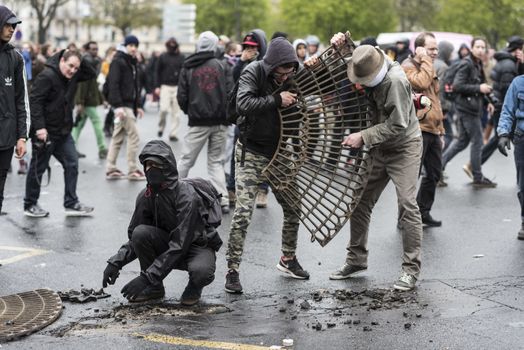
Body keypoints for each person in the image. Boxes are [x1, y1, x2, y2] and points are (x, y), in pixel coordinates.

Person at [326, 33, 423, 291]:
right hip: (379, 148)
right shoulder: (369, 59)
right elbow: (358, 55)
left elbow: (398, 124)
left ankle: (410, 270)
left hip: (404, 146)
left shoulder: (395, 82)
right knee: (359, 200)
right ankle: (356, 259)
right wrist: (339, 46)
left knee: (407, 204)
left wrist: (363, 136)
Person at [224, 37, 310, 294]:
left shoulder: (294, 72)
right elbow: (244, 104)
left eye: (289, 73)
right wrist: (276, 99)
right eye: (281, 73)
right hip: (251, 150)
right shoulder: (253, 71)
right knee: (242, 213)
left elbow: (320, 75)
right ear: (271, 66)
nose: (285, 78)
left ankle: (288, 259)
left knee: (294, 206)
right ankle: (232, 270)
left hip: (279, 152)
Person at [102, 140, 222, 305]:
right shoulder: (146, 195)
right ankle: (155, 288)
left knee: (201, 272)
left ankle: (194, 287)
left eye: (155, 164)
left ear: (167, 167)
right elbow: (135, 237)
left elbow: (180, 243)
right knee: (140, 233)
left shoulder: (186, 196)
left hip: (195, 246)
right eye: (147, 165)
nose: (150, 169)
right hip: (169, 244)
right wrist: (115, 262)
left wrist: (146, 278)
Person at [24, 49, 96, 217]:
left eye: (76, 68)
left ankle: (71, 202)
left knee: (72, 164)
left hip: (63, 132)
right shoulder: (47, 76)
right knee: (38, 168)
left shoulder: (74, 76)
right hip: (45, 132)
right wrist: (40, 127)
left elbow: (91, 72)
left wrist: (79, 57)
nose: (72, 70)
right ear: (61, 61)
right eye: (70, 66)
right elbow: (35, 102)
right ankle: (30, 204)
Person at [176, 31, 233, 214]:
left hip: (198, 120)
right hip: (220, 122)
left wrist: (190, 111)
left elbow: (182, 96)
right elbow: (231, 93)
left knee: (186, 159)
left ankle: (170, 194)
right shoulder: (222, 65)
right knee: (216, 162)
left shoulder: (188, 66)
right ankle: (222, 198)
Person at [401, 32, 445, 227]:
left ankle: (422, 212)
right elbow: (421, 83)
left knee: (434, 174)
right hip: (417, 129)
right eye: (430, 49)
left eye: (436, 49)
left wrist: (440, 129)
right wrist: (426, 59)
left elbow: (435, 100)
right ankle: (404, 218)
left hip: (432, 130)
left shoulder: (427, 65)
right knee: (411, 177)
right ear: (418, 49)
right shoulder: (407, 66)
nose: (434, 52)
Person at [441, 37, 496, 188]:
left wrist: (488, 103)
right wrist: (479, 89)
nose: (480, 49)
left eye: (482, 47)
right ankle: (478, 176)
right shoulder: (467, 64)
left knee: (462, 142)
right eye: (477, 46)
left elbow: (479, 86)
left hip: (470, 107)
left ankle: (437, 169)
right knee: (477, 142)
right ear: (472, 48)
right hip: (467, 109)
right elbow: (457, 86)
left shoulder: (477, 64)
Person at [0, 5, 28, 215]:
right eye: (8, 25)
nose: (12, 29)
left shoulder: (15, 58)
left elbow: (21, 101)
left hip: (6, 138)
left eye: (14, 26)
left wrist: (21, 137)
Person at [105, 35, 145, 181]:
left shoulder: (132, 62)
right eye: (131, 45)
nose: (133, 48)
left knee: (118, 136)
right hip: (123, 105)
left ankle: (111, 167)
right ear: (125, 46)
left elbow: (135, 86)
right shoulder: (118, 61)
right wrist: (118, 106)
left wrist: (138, 105)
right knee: (134, 136)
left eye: (135, 45)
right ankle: (132, 169)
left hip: (128, 104)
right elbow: (113, 84)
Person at [497, 74, 524, 240]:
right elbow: (507, 110)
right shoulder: (518, 82)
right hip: (522, 139)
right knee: (523, 184)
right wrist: (504, 133)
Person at [72, 41, 107, 159]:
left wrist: (103, 99)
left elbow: (94, 85)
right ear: (87, 50)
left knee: (78, 125)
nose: (95, 51)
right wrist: (80, 102)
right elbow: (82, 84)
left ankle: (71, 148)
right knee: (97, 123)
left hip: (89, 99)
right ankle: (103, 148)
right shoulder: (86, 63)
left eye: (96, 49)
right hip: (87, 101)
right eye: (93, 49)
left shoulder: (94, 62)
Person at [154, 37, 184, 141]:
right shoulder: (162, 57)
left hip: (177, 87)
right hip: (165, 86)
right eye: (170, 44)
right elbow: (157, 72)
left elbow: (184, 74)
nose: (172, 46)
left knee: (176, 113)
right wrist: (157, 86)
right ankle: (161, 127)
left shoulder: (181, 57)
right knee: (163, 109)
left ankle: (173, 133)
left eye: (173, 44)